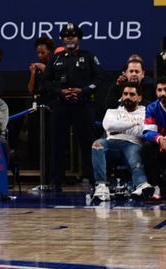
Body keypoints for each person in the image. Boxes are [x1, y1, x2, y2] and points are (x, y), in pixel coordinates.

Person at [40, 23, 102, 189]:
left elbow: (98, 80)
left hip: (83, 105)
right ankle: (55, 181)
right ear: (61, 39)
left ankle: (94, 180)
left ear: (79, 39)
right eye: (66, 36)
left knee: (88, 143)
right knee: (57, 143)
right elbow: (45, 82)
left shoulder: (88, 57)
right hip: (61, 106)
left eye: (73, 35)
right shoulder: (55, 58)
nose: (69, 38)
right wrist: (60, 92)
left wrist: (83, 91)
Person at [91, 85, 153, 202]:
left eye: (132, 94)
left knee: (134, 152)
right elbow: (108, 126)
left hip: (133, 143)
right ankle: (101, 187)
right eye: (125, 94)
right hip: (112, 144)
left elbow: (141, 132)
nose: (127, 97)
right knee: (97, 144)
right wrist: (133, 124)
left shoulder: (146, 111)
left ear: (139, 98)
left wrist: (119, 126)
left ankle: (141, 185)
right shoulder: (112, 112)